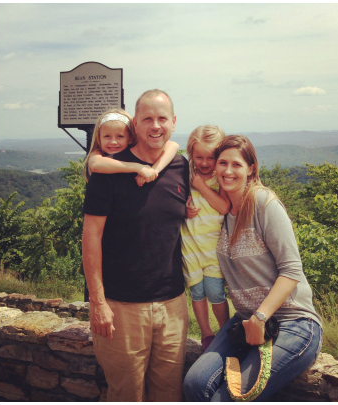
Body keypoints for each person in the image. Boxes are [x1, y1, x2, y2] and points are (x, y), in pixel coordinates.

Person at [183, 135, 323, 402]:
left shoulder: (263, 203)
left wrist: (260, 317)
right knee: (195, 385)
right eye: (222, 163)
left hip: (293, 322)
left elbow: (292, 269)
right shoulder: (221, 211)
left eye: (236, 164)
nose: (227, 171)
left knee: (232, 397)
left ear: (251, 168)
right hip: (244, 321)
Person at [82, 89, 190, 402]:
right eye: (147, 119)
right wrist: (98, 301)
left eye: (162, 118)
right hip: (120, 306)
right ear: (135, 124)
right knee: (126, 394)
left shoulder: (180, 166)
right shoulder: (109, 171)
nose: (155, 126)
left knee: (169, 394)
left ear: (173, 122)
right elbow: (91, 237)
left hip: (173, 304)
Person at [181, 125, 231, 352]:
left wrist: (201, 186)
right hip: (190, 246)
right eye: (198, 156)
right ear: (191, 154)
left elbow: (223, 207)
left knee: (216, 293)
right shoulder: (185, 175)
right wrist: (183, 210)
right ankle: (206, 334)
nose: (203, 162)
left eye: (210, 157)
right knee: (197, 293)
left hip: (212, 249)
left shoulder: (219, 177)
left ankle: (226, 331)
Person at [82, 107, 179, 185]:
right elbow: (95, 164)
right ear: (99, 138)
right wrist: (138, 168)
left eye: (120, 136)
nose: (113, 142)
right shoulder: (97, 153)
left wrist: (154, 170)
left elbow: (173, 145)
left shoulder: (134, 151)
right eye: (107, 136)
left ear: (130, 137)